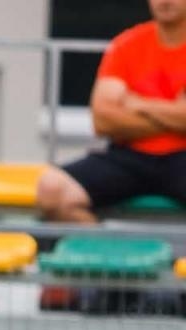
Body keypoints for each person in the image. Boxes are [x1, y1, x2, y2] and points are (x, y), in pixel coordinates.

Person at [37, 0, 186, 222]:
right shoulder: (127, 44)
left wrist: (139, 104)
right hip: (129, 156)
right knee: (52, 191)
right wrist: (175, 114)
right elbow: (102, 120)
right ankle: (98, 245)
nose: (165, 1)